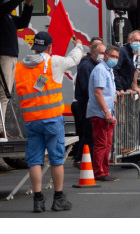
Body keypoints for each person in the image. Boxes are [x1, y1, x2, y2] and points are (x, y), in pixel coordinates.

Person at [15, 31, 83, 212]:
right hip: (52, 119)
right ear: (50, 47)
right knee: (56, 159)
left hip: (31, 121)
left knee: (34, 160)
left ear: (34, 47)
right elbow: (74, 60)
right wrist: (78, 46)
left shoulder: (20, 67)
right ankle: (58, 198)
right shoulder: (54, 62)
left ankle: (38, 200)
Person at [0, 0, 34, 139]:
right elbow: (7, 6)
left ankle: (1, 128)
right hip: (3, 56)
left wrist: (27, 4)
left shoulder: (6, 13)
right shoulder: (2, 10)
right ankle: (0, 129)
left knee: (5, 93)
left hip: (10, 56)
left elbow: (22, 23)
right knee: (3, 94)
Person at [86, 45, 119, 182]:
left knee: (107, 143)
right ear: (105, 56)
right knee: (101, 143)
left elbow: (106, 91)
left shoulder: (108, 69)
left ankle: (104, 170)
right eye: (112, 56)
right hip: (100, 113)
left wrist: (113, 100)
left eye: (116, 57)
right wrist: (106, 112)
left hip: (106, 112)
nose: (114, 59)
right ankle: (99, 172)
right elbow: (98, 92)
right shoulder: (100, 70)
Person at [73, 42, 106, 168]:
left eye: (104, 53)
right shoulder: (86, 66)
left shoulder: (97, 65)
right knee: (89, 135)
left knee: (89, 136)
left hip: (91, 106)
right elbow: (89, 89)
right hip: (86, 106)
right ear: (93, 52)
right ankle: (85, 161)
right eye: (101, 53)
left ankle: (82, 159)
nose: (104, 56)